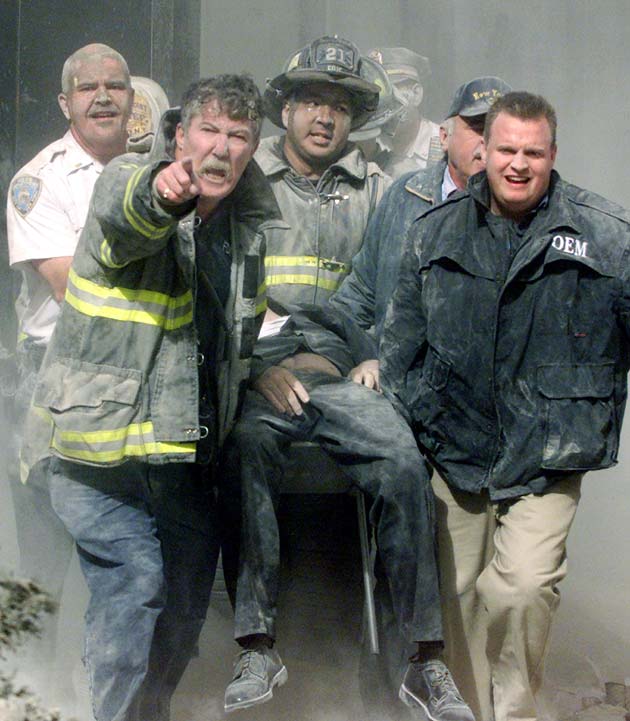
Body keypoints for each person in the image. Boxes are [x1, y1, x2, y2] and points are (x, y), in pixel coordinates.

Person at [222, 35, 473, 721]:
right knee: (245, 447)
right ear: (285, 108)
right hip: (260, 371)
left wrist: (374, 359)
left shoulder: (381, 191)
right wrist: (254, 372)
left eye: (340, 105)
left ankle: (421, 660)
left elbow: (401, 294)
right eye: (310, 100)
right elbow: (219, 292)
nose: (324, 117)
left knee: (401, 460)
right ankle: (256, 645)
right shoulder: (244, 180)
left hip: (340, 369)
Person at [21, 73, 279, 721]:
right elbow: (133, 211)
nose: (220, 149)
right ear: (180, 135)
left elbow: (233, 342)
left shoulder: (249, 232)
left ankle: (145, 712)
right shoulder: (127, 178)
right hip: (94, 449)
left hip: (180, 452)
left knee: (187, 600)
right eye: (208, 131)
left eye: (238, 135)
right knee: (137, 581)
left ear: (254, 148)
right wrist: (165, 195)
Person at [380, 91, 630, 721]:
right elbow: (398, 350)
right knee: (458, 601)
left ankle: (514, 714)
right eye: (507, 150)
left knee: (518, 590)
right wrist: (420, 419)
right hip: (454, 454)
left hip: (549, 455)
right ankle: (470, 712)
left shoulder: (606, 237)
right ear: (481, 151)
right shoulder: (432, 233)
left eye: (533, 152)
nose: (518, 165)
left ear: (553, 154)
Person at [5, 42, 134, 707]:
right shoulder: (39, 180)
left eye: (116, 85)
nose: (104, 97)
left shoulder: (155, 173)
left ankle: (107, 702)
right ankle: (25, 696)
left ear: (133, 99)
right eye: (88, 88)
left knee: (127, 564)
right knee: (46, 566)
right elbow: (70, 289)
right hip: (53, 387)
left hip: (139, 387)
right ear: (66, 103)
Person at [364, 46, 442, 179]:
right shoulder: (369, 144)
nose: (384, 103)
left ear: (416, 94)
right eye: (379, 94)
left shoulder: (445, 145)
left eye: (393, 93)